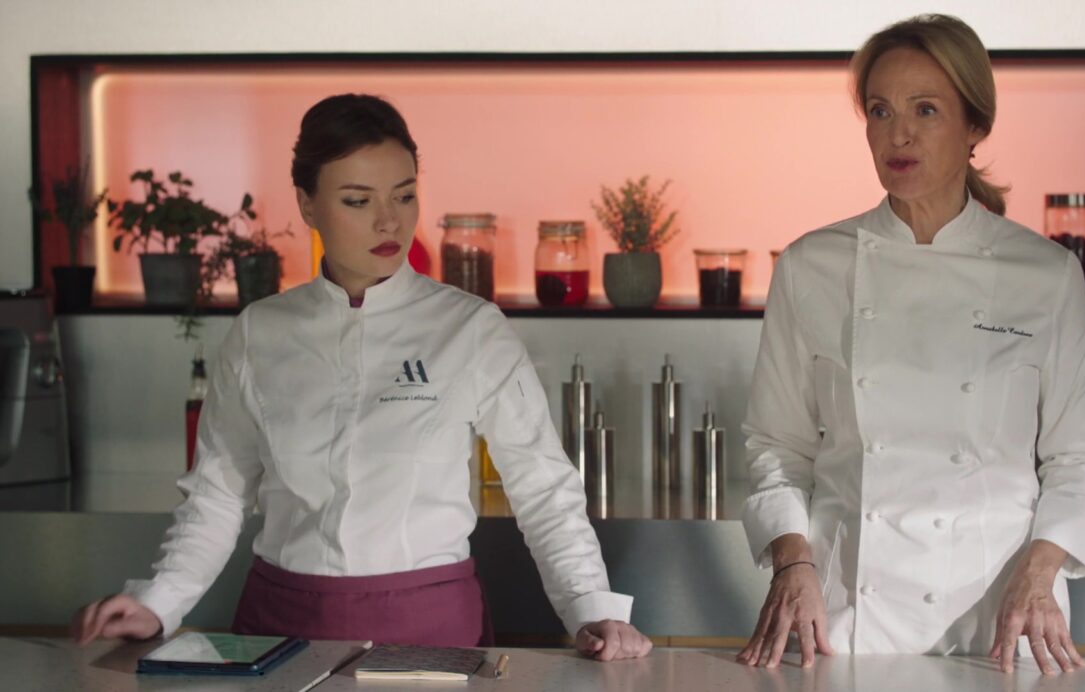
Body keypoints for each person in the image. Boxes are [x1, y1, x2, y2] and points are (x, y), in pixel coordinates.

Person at [71, 93, 652, 662]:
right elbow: (218, 494)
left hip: (431, 634)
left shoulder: (471, 329)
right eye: (357, 200)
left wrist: (591, 608)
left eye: (405, 195)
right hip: (279, 633)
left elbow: (542, 487)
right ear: (307, 205)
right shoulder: (259, 332)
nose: (388, 220)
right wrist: (159, 601)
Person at [737, 14, 1085, 674]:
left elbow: (1080, 457)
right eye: (880, 111)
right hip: (845, 616)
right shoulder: (810, 266)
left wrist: (1042, 569)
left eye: (926, 110)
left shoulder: (1046, 275)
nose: (899, 134)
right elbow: (778, 445)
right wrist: (792, 563)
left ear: (975, 126)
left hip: (1005, 616)